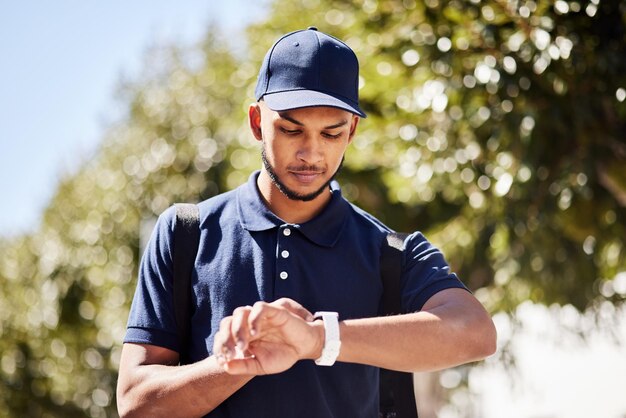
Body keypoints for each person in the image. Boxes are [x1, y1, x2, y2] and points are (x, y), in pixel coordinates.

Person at [116, 27, 497, 418]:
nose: (310, 153)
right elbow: (135, 403)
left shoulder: (392, 253)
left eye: (330, 133)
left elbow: (476, 332)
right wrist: (241, 360)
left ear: (351, 131)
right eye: (290, 129)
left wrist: (317, 339)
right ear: (255, 123)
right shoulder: (186, 234)